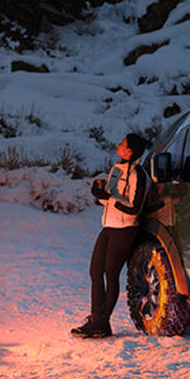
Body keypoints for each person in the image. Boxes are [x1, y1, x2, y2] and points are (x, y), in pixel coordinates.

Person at [71, 132, 150, 338]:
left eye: (122, 143)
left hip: (125, 229)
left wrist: (110, 198)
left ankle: (101, 323)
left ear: (130, 151)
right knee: (95, 271)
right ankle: (97, 319)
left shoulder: (137, 175)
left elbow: (134, 207)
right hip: (108, 226)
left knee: (110, 273)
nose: (118, 144)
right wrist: (100, 196)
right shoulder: (116, 168)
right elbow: (110, 197)